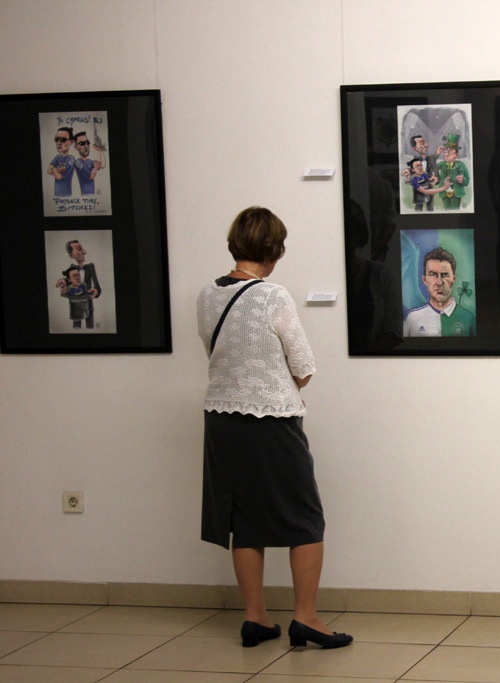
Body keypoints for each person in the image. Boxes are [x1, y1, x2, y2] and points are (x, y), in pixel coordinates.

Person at [196, 206, 352, 650]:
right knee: (305, 517)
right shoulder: (272, 296)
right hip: (271, 422)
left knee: (243, 519)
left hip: (221, 420)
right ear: (275, 248)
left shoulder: (206, 294)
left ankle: (256, 619)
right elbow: (303, 367)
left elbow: (218, 353)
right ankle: (306, 618)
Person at [403, 246, 476, 337]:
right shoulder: (412, 318)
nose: (439, 282)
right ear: (424, 280)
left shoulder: (469, 317)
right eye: (433, 274)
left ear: (454, 279)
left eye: (445, 275)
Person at [434, 134, 470, 210]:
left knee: (455, 210)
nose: (447, 154)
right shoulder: (442, 164)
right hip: (444, 192)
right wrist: (437, 154)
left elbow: (467, 180)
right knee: (447, 211)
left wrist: (463, 180)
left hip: (456, 193)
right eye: (445, 152)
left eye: (450, 153)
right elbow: (432, 167)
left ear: (456, 155)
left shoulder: (461, 165)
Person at [46, 126, 76, 197]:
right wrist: (58, 170)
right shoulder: (58, 157)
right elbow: (48, 171)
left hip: (66, 195)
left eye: (63, 139)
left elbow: (58, 176)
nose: (59, 142)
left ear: (71, 142)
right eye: (56, 139)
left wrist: (53, 169)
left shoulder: (71, 159)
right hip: (56, 195)